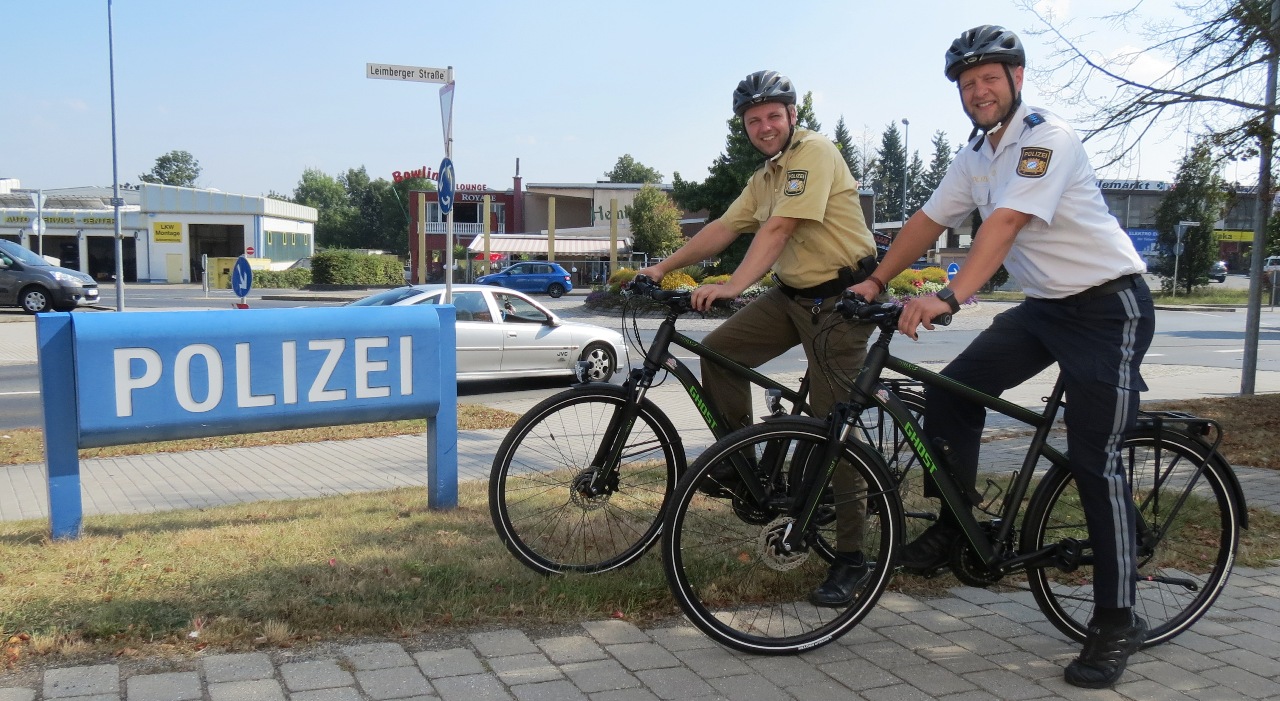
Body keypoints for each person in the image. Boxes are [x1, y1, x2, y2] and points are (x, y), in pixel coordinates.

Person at [848, 25, 1154, 689]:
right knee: (953, 393)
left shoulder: (1047, 140)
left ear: (1016, 79)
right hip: (1046, 309)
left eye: (990, 77)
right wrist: (875, 279)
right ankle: (961, 522)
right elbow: (929, 221)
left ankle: (1116, 617)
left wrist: (951, 295)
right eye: (967, 82)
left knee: (1094, 460)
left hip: (1107, 308)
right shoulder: (976, 156)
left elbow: (1004, 225)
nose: (978, 90)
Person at [636, 70, 879, 608]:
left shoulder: (813, 152)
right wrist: (661, 268)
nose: (764, 126)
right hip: (791, 296)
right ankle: (740, 463)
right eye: (753, 120)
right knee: (719, 352)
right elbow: (724, 227)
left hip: (841, 303)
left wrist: (731, 286)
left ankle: (853, 558)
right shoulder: (768, 173)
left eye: (773, 115)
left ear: (793, 115)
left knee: (832, 429)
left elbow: (778, 230)